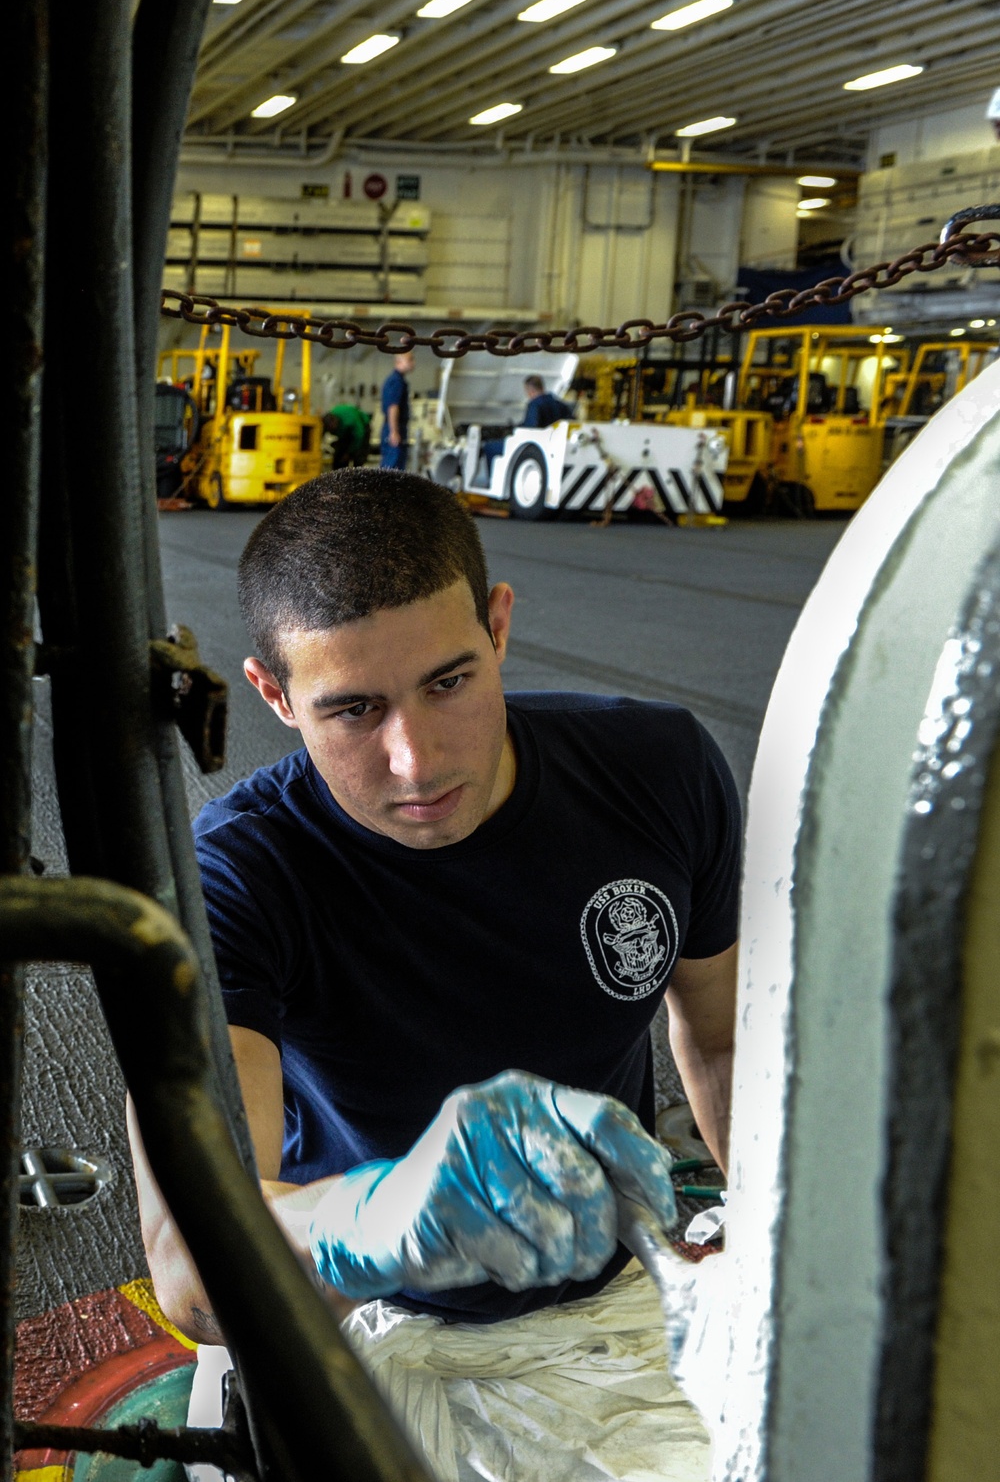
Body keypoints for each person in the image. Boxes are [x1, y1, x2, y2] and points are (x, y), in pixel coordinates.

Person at [128, 469, 739, 1479]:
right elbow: (193, 1276)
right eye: (354, 710)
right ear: (274, 695)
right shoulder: (237, 875)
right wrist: (383, 1217)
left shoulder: (656, 772)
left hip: (613, 1296)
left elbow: (716, 1034)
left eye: (448, 682)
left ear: (498, 627)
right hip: (357, 1315)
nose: (412, 760)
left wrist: (766, 1224)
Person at [380, 352, 413, 469]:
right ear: (399, 362)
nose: (413, 363)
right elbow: (393, 407)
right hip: (394, 427)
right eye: (410, 360)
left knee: (397, 468)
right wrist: (394, 431)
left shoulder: (399, 381)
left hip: (396, 427)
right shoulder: (396, 381)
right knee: (391, 467)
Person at [322, 402, 371, 468]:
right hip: (346, 431)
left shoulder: (350, 421)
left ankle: (357, 473)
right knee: (339, 458)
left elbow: (359, 437)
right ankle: (339, 473)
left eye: (332, 428)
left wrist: (348, 453)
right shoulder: (332, 419)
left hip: (362, 428)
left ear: (335, 421)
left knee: (358, 457)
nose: (331, 431)